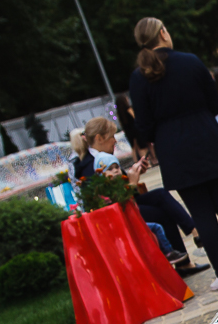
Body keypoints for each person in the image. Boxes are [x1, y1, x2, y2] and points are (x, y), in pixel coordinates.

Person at [129, 18, 218, 292]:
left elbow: (144, 126)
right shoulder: (190, 61)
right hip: (207, 137)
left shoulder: (139, 77)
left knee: (201, 213)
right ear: (162, 33)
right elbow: (214, 104)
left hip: (173, 149)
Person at [69, 117, 206, 274]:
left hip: (125, 204)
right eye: (112, 136)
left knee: (160, 195)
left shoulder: (98, 158)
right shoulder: (91, 165)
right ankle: (185, 258)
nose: (115, 140)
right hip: (117, 214)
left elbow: (122, 189)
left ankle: (194, 235)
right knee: (161, 212)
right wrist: (132, 182)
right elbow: (112, 200)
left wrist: (134, 174)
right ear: (99, 138)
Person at [93, 151, 189, 265]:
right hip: (123, 223)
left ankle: (181, 245)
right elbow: (121, 205)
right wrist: (132, 184)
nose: (115, 171)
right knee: (157, 226)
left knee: (161, 202)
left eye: (117, 167)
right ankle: (168, 252)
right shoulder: (105, 190)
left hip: (130, 218)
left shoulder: (120, 183)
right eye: (110, 169)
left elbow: (131, 201)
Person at [115, 94, 155, 165]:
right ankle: (147, 162)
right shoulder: (129, 109)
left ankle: (136, 162)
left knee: (134, 148)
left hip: (128, 131)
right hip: (136, 130)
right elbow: (135, 117)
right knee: (142, 147)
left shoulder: (119, 112)